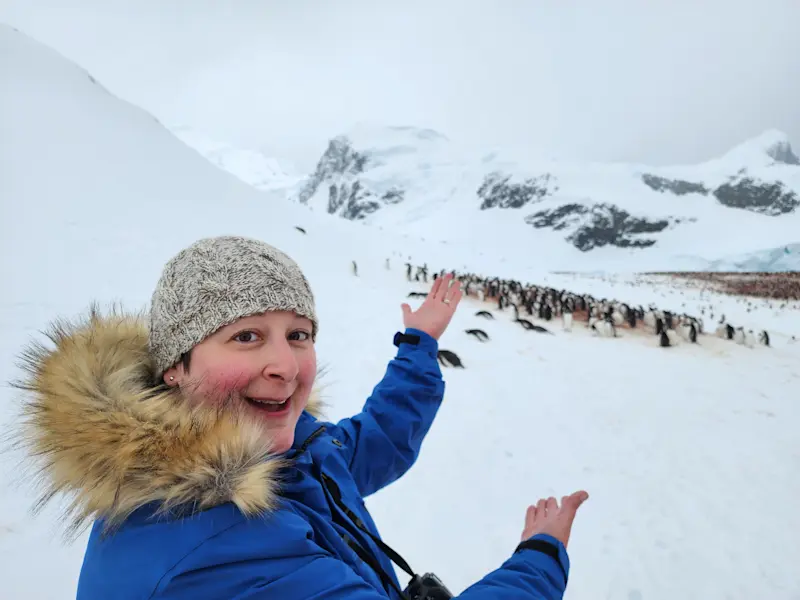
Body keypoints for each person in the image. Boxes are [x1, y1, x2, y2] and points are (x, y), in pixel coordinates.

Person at [13, 235, 589, 599]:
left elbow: (373, 442)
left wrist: (417, 346)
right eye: (246, 337)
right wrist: (538, 559)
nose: (285, 366)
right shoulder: (204, 552)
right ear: (176, 367)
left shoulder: (278, 454)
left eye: (298, 335)